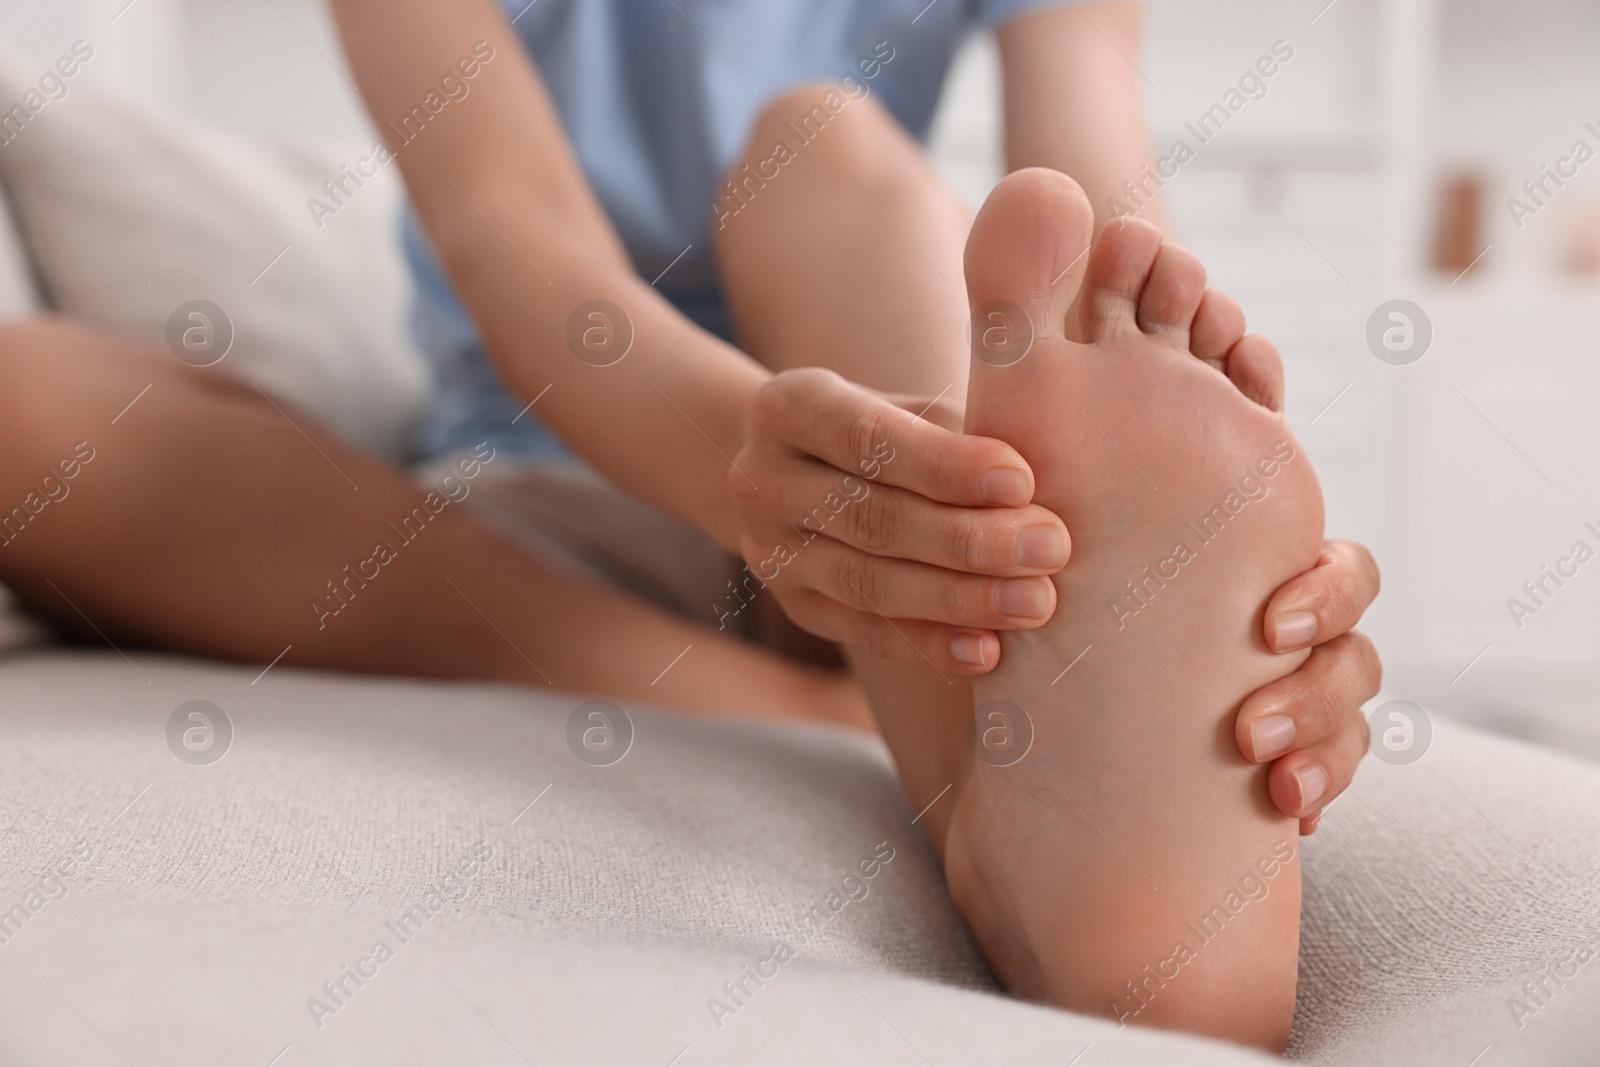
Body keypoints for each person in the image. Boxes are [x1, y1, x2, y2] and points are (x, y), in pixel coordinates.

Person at [0, 0, 1379, 1048]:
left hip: (914, 501)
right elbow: (515, 241)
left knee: (818, 146)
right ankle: (940, 748)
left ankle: (1025, 742)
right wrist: (753, 466)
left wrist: (1206, 567)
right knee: (23, 399)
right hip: (576, 487)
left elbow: (1102, 244)